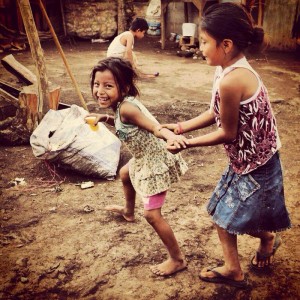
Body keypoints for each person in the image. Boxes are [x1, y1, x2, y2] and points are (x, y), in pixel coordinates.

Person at [163, 2, 291, 288]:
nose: (201, 47)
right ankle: (265, 240)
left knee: (226, 217)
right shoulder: (225, 70)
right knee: (235, 214)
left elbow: (227, 133)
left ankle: (239, 263)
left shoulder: (233, 80)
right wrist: (182, 127)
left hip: (257, 164)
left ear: (227, 44)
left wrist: (186, 143)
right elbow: (214, 112)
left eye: (205, 42)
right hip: (249, 160)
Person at [86, 57, 189, 276]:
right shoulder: (120, 106)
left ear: (123, 87)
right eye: (97, 84)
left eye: (108, 86)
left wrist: (170, 135)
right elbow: (123, 123)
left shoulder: (127, 108)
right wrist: (104, 117)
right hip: (143, 157)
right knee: (125, 173)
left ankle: (177, 259)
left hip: (155, 160)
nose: (100, 90)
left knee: (152, 215)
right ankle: (128, 212)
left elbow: (154, 127)